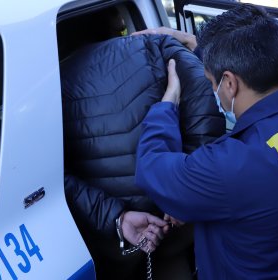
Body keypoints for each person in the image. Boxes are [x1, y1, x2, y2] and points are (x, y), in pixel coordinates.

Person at [135, 3, 278, 279]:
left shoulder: (227, 166)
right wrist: (198, 46)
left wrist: (168, 101)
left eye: (211, 81)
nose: (213, 89)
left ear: (229, 83)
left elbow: (150, 166)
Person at [60, 7, 225, 279]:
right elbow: (206, 116)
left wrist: (117, 217)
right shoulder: (155, 44)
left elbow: (55, 177)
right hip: (173, 223)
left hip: (111, 237)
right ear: (112, 19)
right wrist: (182, 195)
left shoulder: (52, 83)